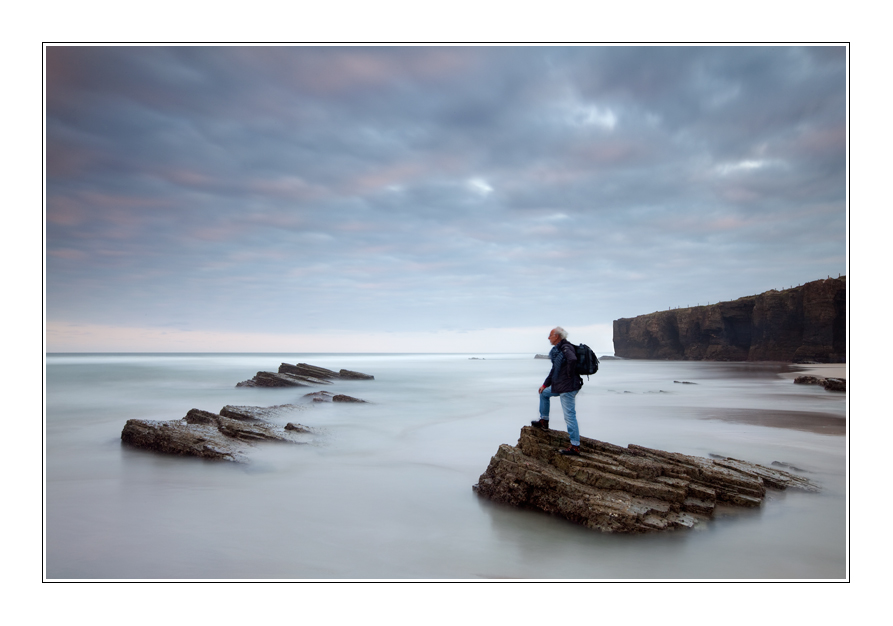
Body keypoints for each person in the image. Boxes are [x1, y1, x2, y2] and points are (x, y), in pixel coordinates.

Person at [531, 327, 583, 455]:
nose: (548, 338)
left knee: (569, 416)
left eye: (550, 335)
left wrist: (568, 376)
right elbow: (554, 370)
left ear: (557, 336)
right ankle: (544, 420)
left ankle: (575, 446)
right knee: (544, 393)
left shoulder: (566, 348)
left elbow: (572, 359)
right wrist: (545, 384)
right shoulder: (558, 350)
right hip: (560, 386)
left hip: (568, 387)